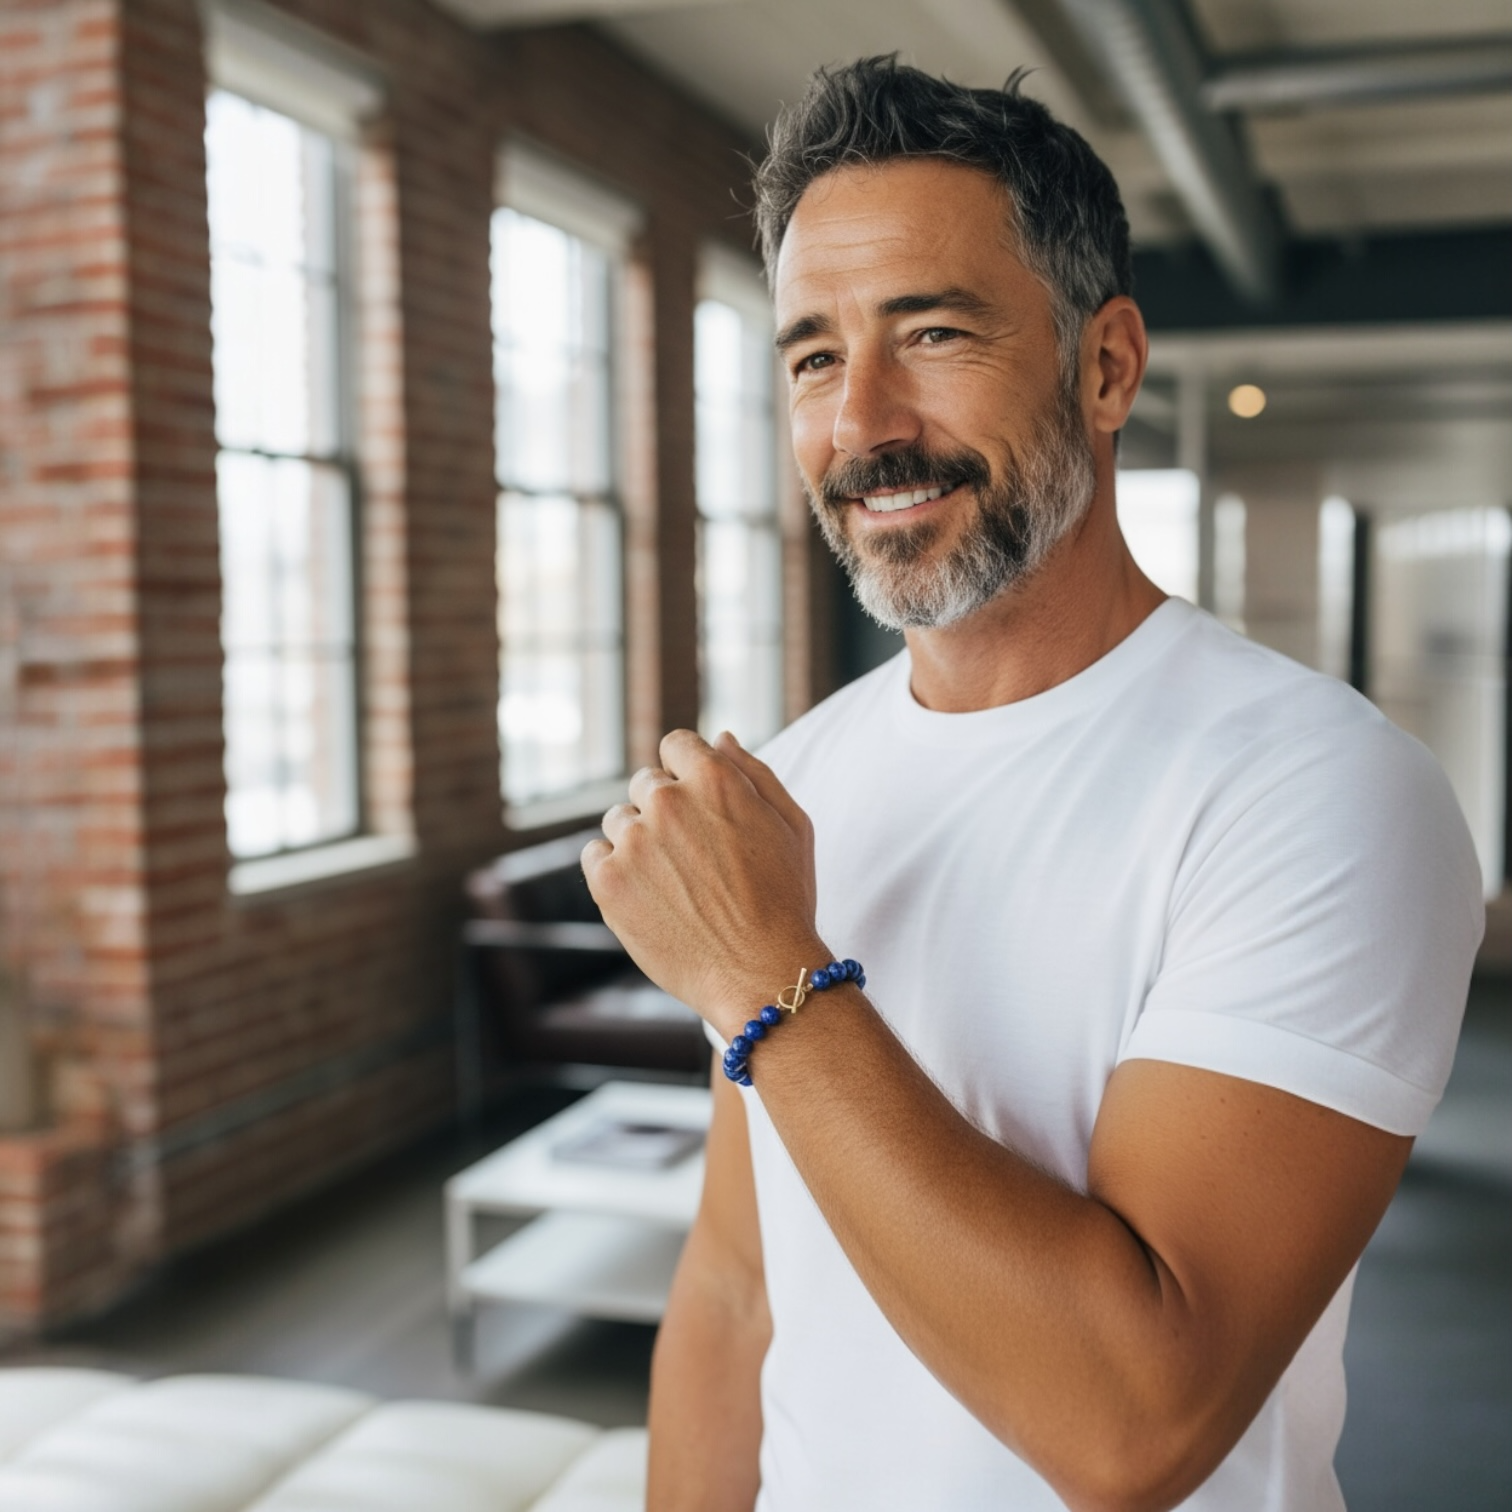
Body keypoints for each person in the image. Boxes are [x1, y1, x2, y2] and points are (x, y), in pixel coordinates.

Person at [581, 56, 1484, 1512]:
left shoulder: (1324, 794)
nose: (862, 421)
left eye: (930, 333)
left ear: (1106, 364)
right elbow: (741, 1287)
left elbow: (1135, 1423)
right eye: (813, 356)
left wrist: (764, 973)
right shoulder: (800, 779)